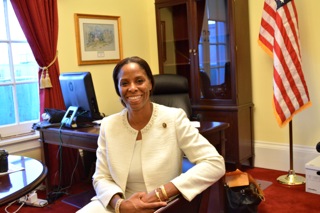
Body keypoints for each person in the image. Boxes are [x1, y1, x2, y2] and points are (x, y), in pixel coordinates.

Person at [78, 56, 225, 213]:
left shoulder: (174, 118)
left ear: (150, 85)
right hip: (119, 204)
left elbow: (215, 163)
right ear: (118, 90)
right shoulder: (109, 125)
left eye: (139, 81)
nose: (132, 88)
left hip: (161, 205)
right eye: (124, 83)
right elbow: (101, 177)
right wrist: (121, 205)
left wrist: (161, 193)